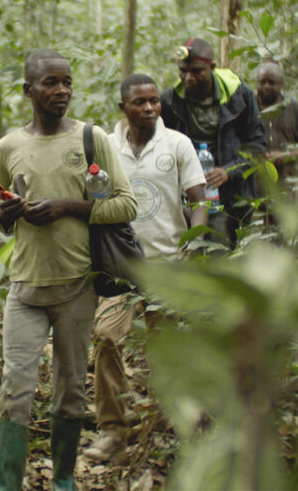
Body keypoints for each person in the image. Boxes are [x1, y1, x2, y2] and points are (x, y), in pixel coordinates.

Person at [0, 50, 137, 491]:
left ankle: (64, 480)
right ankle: (5, 483)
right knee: (15, 389)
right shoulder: (8, 147)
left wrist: (66, 207)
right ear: (28, 91)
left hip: (76, 287)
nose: (62, 91)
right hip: (25, 288)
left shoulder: (92, 139)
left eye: (67, 82)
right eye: (51, 83)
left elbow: (125, 204)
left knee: (71, 390)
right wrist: (11, 212)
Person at [84, 74, 209, 462]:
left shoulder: (177, 144)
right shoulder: (104, 145)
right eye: (140, 102)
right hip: (120, 266)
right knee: (106, 338)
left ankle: (169, 420)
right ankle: (113, 431)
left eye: (155, 101)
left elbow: (199, 199)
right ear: (123, 106)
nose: (150, 108)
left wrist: (194, 244)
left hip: (167, 264)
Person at [159, 38, 267, 248]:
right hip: (187, 196)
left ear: (212, 68)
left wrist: (228, 171)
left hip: (232, 197)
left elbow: (256, 146)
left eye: (197, 71)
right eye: (183, 71)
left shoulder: (239, 96)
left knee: (227, 251)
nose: (188, 78)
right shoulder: (170, 101)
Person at [255, 59, 298, 179]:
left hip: (287, 181)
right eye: (262, 82)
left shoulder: (295, 109)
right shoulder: (248, 108)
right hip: (255, 183)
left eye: (272, 83)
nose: (267, 87)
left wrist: (286, 156)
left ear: (280, 84)